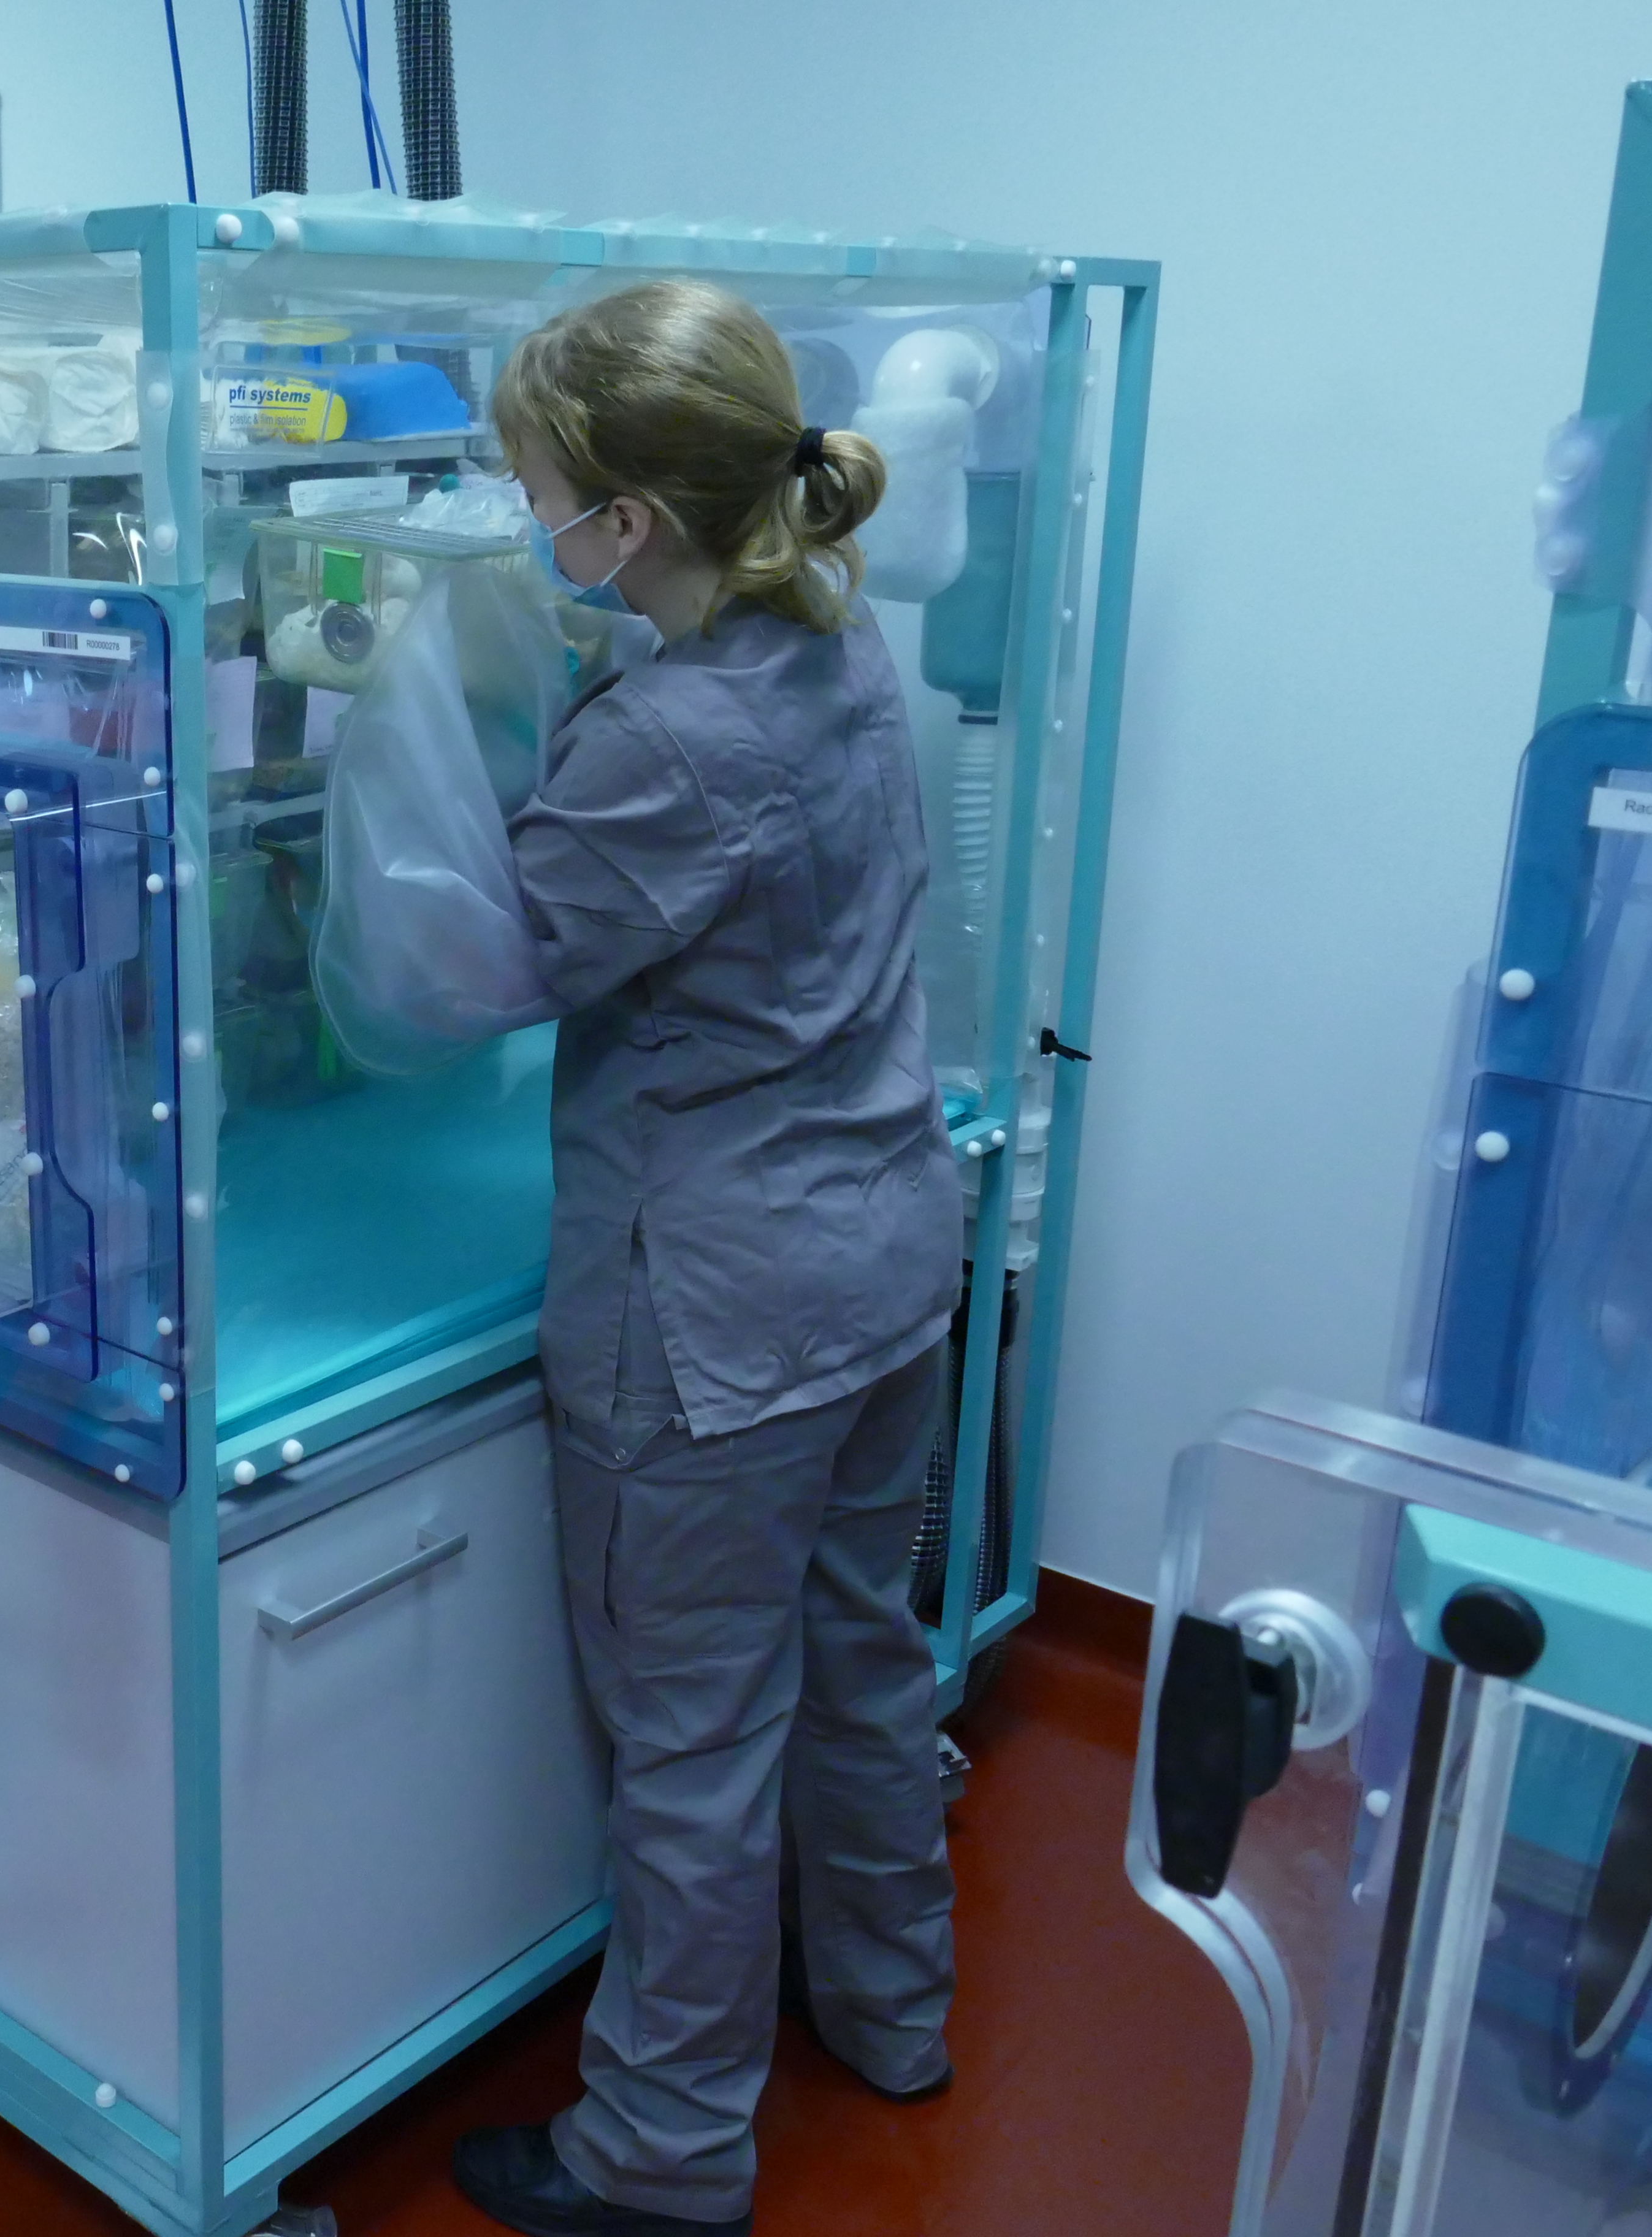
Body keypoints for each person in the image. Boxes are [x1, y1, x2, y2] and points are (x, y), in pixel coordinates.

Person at [449, 279, 965, 2237]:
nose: (528, 521)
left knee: (693, 1746)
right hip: (878, 1256)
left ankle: (658, 2160)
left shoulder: (668, 733)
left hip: (718, 1319)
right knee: (863, 1670)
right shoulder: (843, 654)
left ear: (627, 527)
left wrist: (434, 741)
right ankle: (894, 2016)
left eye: (534, 492)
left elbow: (495, 963)